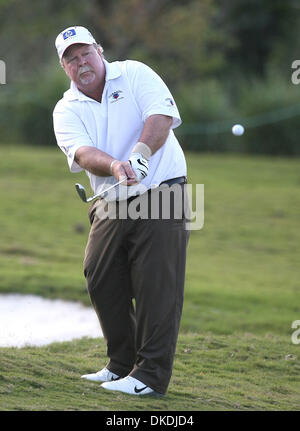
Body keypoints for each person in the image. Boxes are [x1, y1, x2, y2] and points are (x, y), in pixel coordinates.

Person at [53, 26, 190, 397]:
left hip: (163, 191)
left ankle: (149, 378)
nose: (81, 62)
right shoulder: (66, 109)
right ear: (64, 67)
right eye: (71, 58)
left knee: (155, 284)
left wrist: (141, 154)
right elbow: (82, 154)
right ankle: (121, 365)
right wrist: (116, 165)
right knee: (100, 275)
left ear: (99, 50)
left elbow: (160, 116)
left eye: (85, 53)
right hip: (111, 198)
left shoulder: (133, 73)